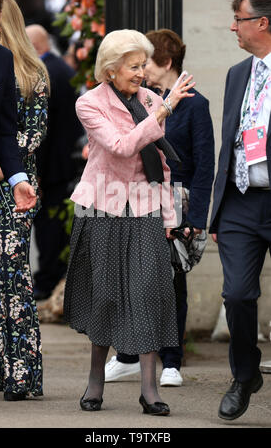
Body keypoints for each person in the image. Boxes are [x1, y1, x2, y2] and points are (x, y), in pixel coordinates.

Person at [63, 29, 196, 415]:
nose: (142, 73)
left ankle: (150, 389)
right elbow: (122, 147)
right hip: (102, 207)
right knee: (104, 292)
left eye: (144, 65)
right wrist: (163, 111)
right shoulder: (89, 103)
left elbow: (163, 166)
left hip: (145, 209)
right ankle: (95, 380)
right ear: (111, 68)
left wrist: (170, 216)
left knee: (149, 292)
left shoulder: (153, 100)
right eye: (134, 66)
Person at [105, 29, 214, 387]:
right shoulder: (138, 99)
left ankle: (171, 360)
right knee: (128, 277)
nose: (139, 70)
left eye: (146, 63)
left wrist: (195, 217)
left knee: (170, 282)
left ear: (165, 63)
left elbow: (204, 166)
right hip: (137, 195)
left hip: (176, 197)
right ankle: (127, 355)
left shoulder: (195, 104)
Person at [209, 0, 271, 421]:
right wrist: (217, 207)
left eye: (240, 19)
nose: (233, 27)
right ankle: (244, 374)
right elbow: (229, 141)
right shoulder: (236, 73)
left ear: (263, 23)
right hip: (240, 201)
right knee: (237, 295)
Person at [0, 0, 49, 401]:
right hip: (5, 175)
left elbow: (23, 133)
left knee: (14, 281)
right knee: (12, 282)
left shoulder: (27, 69)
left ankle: (20, 373)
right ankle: (2, 369)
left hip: (12, 186)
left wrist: (11, 171)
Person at [25, 24, 86, 300]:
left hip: (52, 167)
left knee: (48, 229)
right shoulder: (62, 68)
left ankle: (46, 281)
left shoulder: (45, 73)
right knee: (55, 229)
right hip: (65, 162)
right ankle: (50, 277)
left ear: (34, 46)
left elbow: (41, 128)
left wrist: (34, 171)